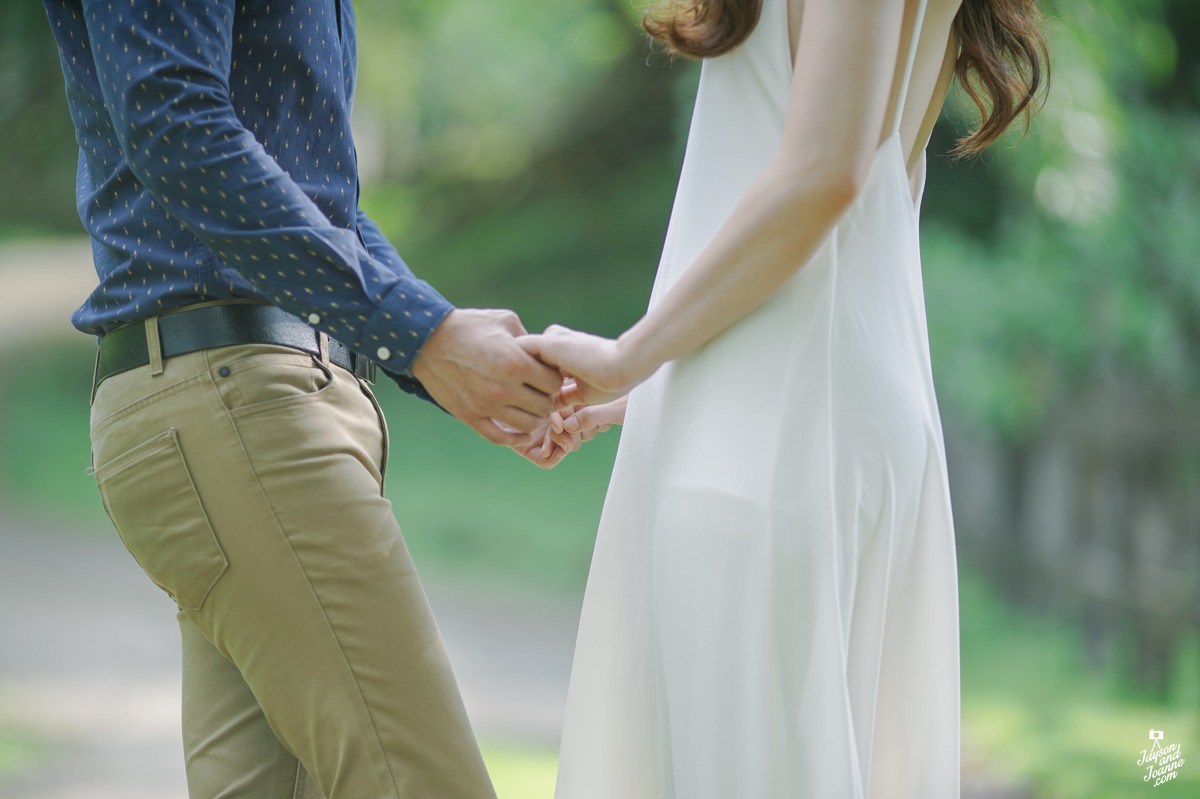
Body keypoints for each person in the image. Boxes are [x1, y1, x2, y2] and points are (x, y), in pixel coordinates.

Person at [43, 1, 570, 797]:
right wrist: (422, 333)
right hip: (237, 409)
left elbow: (312, 195)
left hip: (249, 410)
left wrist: (440, 347)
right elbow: (173, 122)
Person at [525, 0, 1049, 796]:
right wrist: (671, 384)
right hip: (828, 419)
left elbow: (824, 174)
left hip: (769, 450)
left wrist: (631, 355)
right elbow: (862, 214)